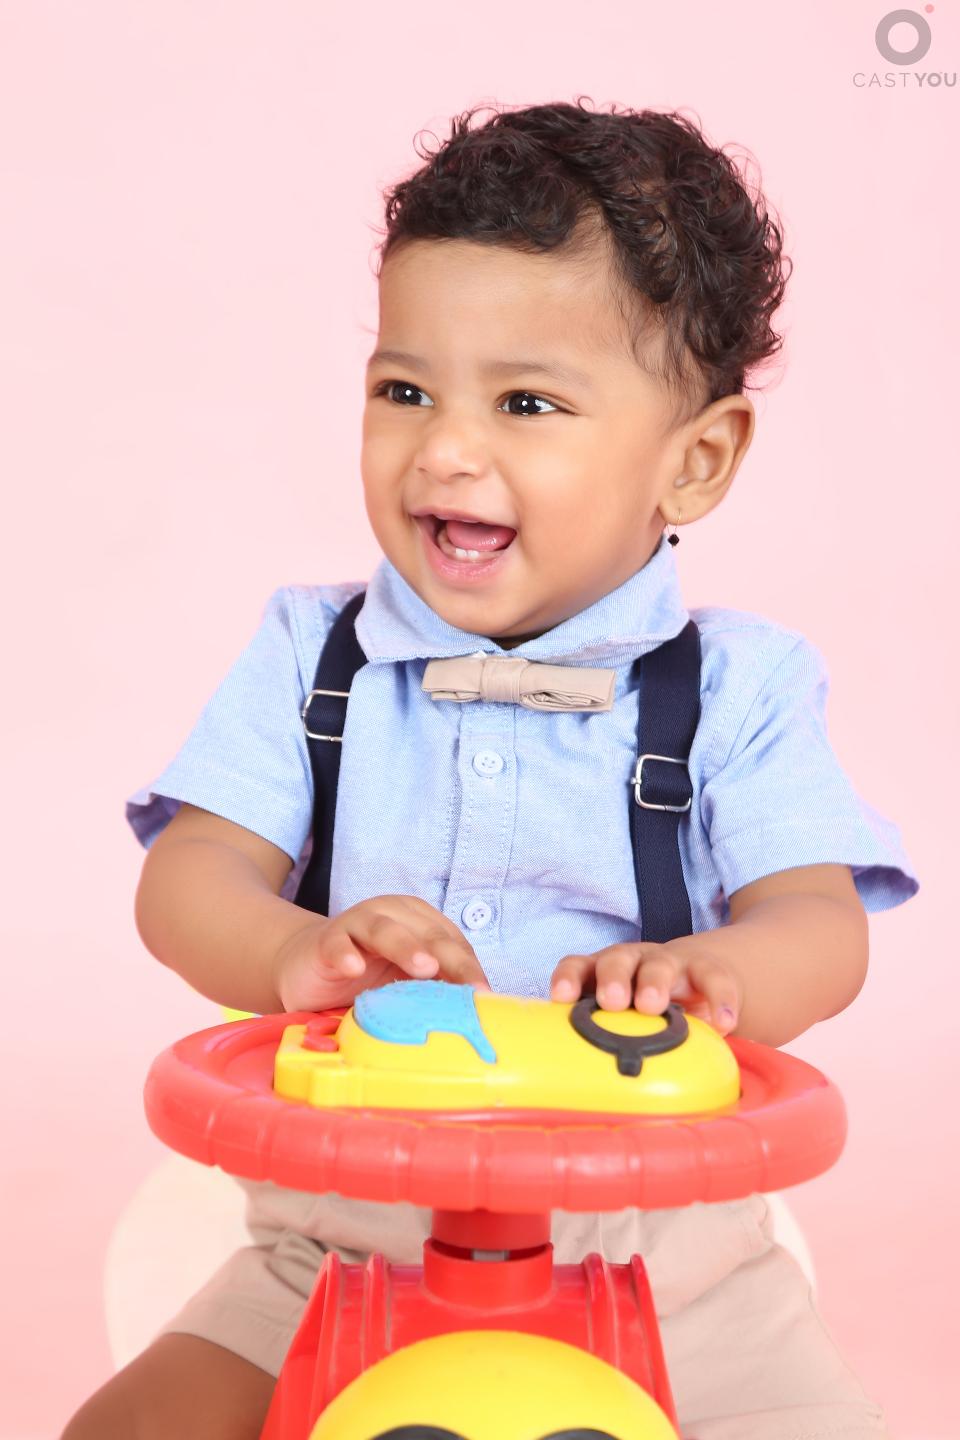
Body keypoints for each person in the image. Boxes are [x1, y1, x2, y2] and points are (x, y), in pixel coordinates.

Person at [62, 98, 918, 1440]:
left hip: (671, 1268)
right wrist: (296, 951)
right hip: (339, 1249)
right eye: (405, 391)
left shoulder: (739, 688)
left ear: (695, 463)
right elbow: (189, 876)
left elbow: (820, 921)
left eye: (527, 403)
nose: (446, 449)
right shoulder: (312, 656)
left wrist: (716, 976)